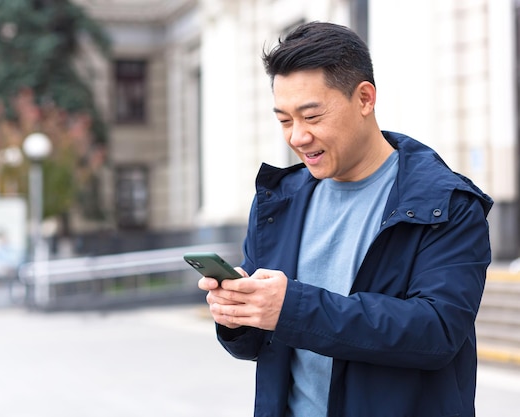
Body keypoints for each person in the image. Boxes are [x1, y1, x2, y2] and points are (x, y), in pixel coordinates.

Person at [198, 21, 493, 417]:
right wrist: (238, 313)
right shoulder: (278, 202)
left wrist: (290, 308)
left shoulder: (446, 203)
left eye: (312, 116)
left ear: (365, 99)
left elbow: (437, 332)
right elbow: (260, 344)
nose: (297, 137)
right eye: (285, 120)